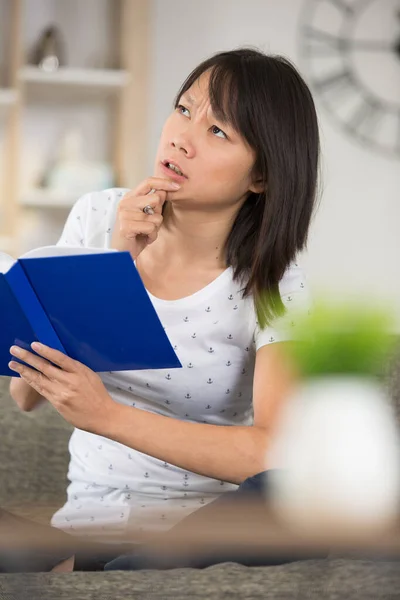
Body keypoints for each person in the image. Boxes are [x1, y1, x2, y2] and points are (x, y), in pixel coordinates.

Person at [6, 47, 319, 572]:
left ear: (261, 176)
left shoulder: (275, 281)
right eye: (183, 109)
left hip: (197, 533)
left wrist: (107, 417)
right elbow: (25, 396)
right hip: (83, 526)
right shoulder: (97, 215)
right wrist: (115, 262)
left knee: (295, 491)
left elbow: (272, 453)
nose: (181, 136)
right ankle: (85, 566)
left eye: (217, 131)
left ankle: (136, 570)